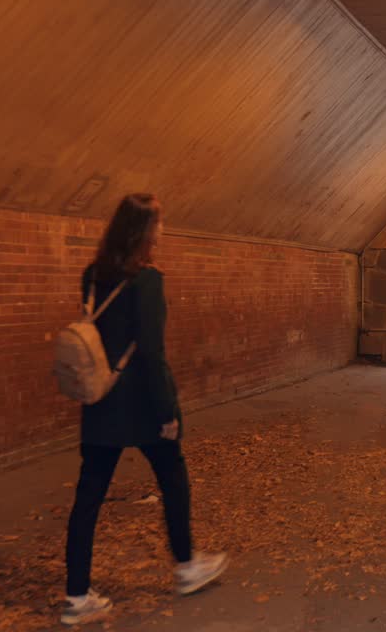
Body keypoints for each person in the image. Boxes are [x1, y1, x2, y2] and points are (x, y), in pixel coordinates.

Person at [62, 193, 227, 626]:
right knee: (173, 478)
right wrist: (168, 411)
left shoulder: (92, 275)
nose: (162, 231)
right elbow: (151, 353)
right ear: (145, 232)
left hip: (101, 401)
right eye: (158, 224)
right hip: (141, 405)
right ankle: (187, 566)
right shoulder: (148, 281)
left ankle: (77, 596)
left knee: (88, 498)